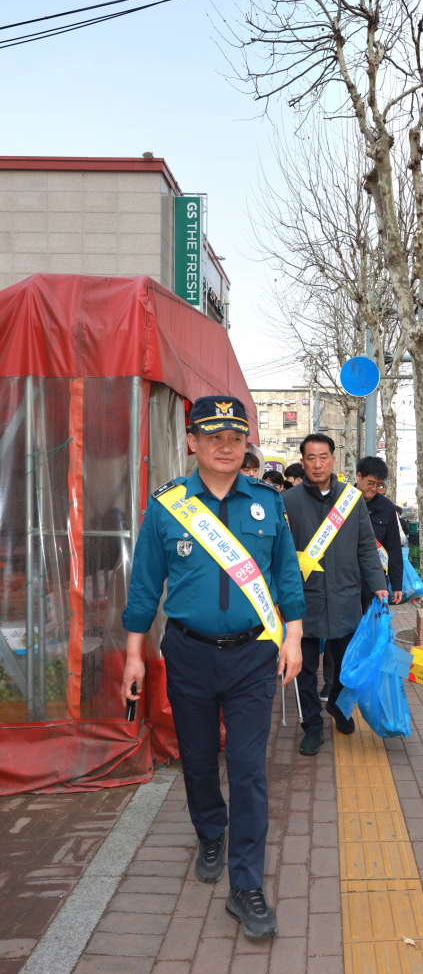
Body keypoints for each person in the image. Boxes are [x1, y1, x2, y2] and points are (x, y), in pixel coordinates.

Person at [121, 395, 304, 938]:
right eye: (213, 436)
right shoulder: (168, 505)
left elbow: (286, 576)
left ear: (246, 443)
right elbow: (144, 585)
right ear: (193, 443)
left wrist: (292, 637)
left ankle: (245, 883)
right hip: (188, 653)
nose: (225, 446)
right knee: (198, 760)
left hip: (253, 655)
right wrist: (134, 653)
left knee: (248, 769)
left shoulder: (269, 504)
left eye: (235, 437)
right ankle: (209, 832)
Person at [283, 433, 387, 755]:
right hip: (305, 601)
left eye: (323, 457)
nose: (317, 464)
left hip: (345, 598)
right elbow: (279, 553)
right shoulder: (288, 502)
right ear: (302, 462)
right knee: (304, 670)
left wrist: (378, 584)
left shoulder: (351, 500)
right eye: (311, 458)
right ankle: (312, 725)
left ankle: (340, 710)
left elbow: (366, 548)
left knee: (346, 665)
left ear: (333, 460)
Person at [355, 456, 404, 609]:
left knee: (372, 628)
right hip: (346, 580)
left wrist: (396, 585)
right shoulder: (342, 501)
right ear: (359, 476)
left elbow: (393, 548)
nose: (374, 488)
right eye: (370, 483)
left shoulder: (386, 507)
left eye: (378, 484)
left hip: (374, 581)